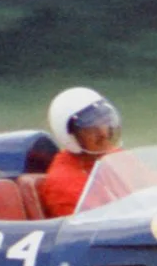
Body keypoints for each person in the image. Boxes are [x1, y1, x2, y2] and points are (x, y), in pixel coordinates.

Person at [41, 87, 122, 216]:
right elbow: (92, 230)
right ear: (71, 136)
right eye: (91, 128)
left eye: (105, 122)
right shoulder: (63, 182)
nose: (103, 133)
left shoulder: (117, 157)